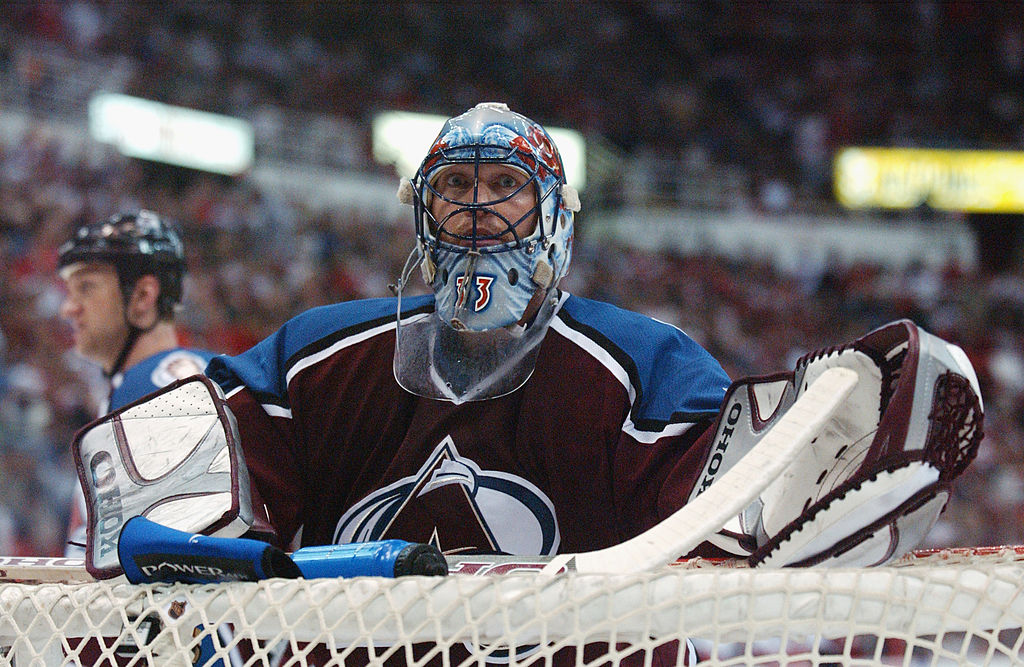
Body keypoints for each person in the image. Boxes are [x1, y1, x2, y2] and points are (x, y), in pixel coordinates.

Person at [195, 103, 981, 664]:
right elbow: (193, 483)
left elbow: (732, 519)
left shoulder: (641, 366)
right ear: (419, 213)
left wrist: (818, 453)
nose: (475, 211)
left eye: (503, 186)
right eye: (453, 189)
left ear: (556, 217)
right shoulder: (318, 356)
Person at [57, 210, 216, 555]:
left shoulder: (156, 389)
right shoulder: (147, 383)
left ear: (144, 296)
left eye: (85, 287)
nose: (68, 308)